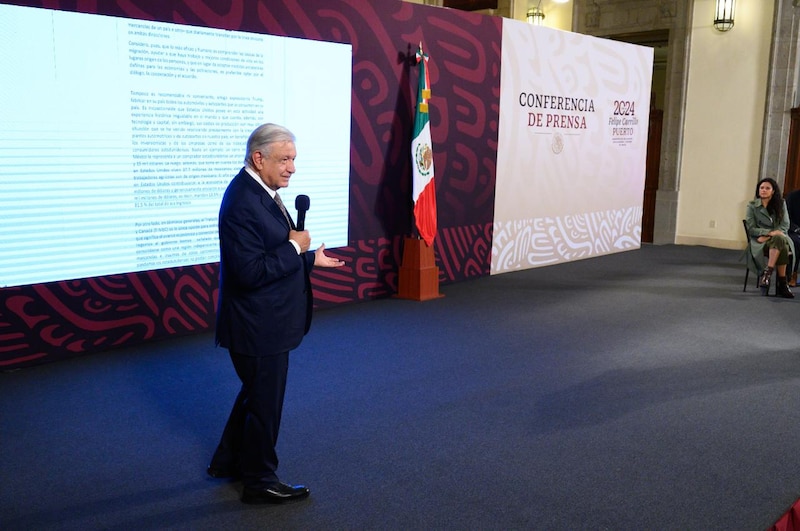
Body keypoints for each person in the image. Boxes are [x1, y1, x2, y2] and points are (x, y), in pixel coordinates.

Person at [208, 123, 345, 504]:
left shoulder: (260, 191)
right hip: (257, 326)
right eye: (285, 159)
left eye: (293, 160)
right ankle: (259, 481)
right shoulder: (242, 202)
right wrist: (293, 247)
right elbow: (250, 273)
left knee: (256, 393)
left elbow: (270, 254)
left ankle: (227, 459)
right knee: (266, 403)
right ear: (258, 158)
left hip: (266, 321)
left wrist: (309, 257)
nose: (292, 168)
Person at [745, 177, 794, 298]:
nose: (764, 190)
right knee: (781, 244)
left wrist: (767, 235)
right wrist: (771, 233)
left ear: (773, 191)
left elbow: (785, 225)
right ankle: (782, 284)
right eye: (761, 188)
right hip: (760, 242)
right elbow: (751, 229)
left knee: (780, 240)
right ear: (758, 190)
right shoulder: (752, 206)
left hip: (772, 239)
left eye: (767, 188)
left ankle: (767, 274)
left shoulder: (781, 204)